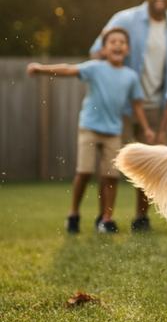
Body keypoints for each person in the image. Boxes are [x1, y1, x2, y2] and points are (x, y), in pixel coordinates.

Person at [27, 27, 155, 234]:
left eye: (122, 42)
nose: (118, 45)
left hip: (113, 131)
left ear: (128, 50)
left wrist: (147, 128)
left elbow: (137, 104)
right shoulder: (95, 68)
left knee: (112, 175)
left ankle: (106, 218)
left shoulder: (131, 76)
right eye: (113, 42)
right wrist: (41, 69)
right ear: (103, 49)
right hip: (90, 128)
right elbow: (68, 69)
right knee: (85, 171)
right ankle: (73, 214)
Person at [90, 0, 167, 232]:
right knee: (110, 163)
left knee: (149, 164)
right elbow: (96, 51)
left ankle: (141, 218)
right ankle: (105, 218)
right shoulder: (124, 19)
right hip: (121, 106)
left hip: (156, 107)